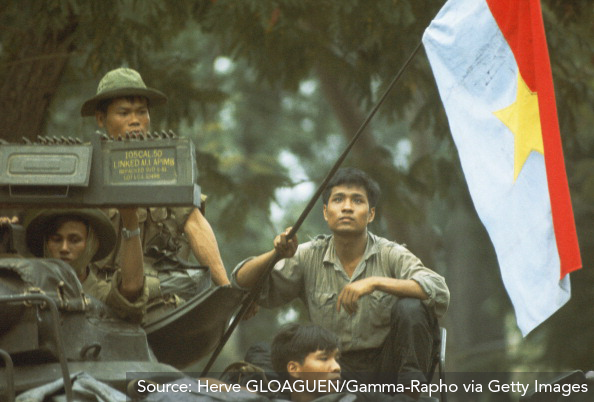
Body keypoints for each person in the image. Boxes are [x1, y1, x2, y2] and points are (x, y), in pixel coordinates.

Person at [232, 167, 450, 398]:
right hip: (334, 369)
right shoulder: (308, 254)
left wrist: (375, 282)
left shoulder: (391, 253)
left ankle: (411, 397)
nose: (347, 207)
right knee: (260, 354)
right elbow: (240, 282)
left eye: (357, 200)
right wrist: (275, 253)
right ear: (326, 213)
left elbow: (438, 290)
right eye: (338, 200)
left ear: (371, 214)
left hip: (388, 372)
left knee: (411, 306)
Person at [80, 67, 230, 290]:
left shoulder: (164, 165)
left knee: (197, 284)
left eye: (141, 112)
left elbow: (195, 225)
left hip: (155, 287)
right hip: (95, 286)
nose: (135, 121)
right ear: (101, 119)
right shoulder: (84, 165)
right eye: (124, 113)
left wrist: (227, 288)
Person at [24, 208, 148, 323]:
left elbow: (131, 287)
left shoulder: (100, 294)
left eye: (74, 240)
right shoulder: (28, 289)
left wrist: (130, 222)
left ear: (90, 245)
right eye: (56, 239)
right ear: (46, 244)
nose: (64, 248)